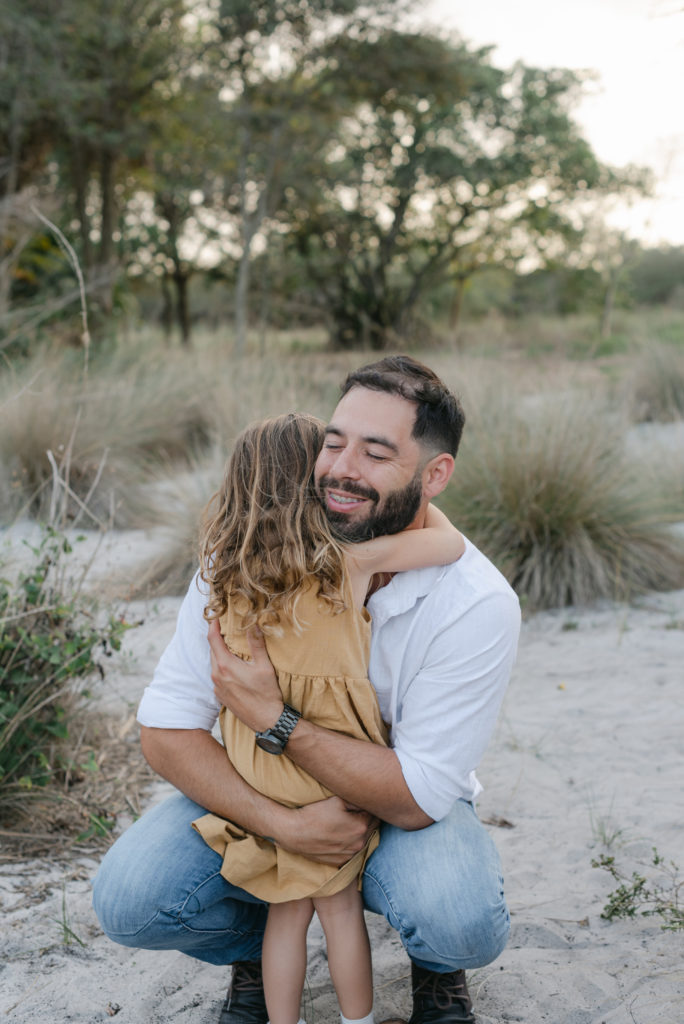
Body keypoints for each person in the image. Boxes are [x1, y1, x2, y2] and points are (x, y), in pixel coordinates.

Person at [92, 355, 521, 1024]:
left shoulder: (475, 603)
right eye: (333, 441)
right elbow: (167, 730)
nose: (342, 467)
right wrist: (287, 826)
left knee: (457, 919)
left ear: (434, 475)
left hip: (399, 803)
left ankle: (436, 969)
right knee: (131, 901)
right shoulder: (245, 562)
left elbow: (417, 795)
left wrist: (273, 715)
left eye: (376, 453)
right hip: (268, 794)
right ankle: (256, 951)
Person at [192, 412, 465, 1024]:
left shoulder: (227, 573)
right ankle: (356, 1020)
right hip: (327, 764)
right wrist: (428, 494)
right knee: (338, 910)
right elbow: (448, 545)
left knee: (287, 912)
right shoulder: (347, 564)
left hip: (257, 767)